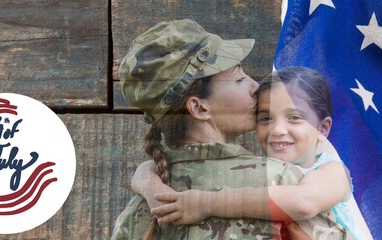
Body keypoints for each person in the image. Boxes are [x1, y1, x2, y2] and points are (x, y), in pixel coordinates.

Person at [111, 19, 351, 239]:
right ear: (199, 108)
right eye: (239, 79)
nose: (256, 86)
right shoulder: (286, 184)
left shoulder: (142, 206)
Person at [135, 67, 372, 239]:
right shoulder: (263, 168)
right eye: (266, 118)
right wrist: (150, 185)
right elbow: (145, 169)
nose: (278, 130)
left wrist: (205, 203)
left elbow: (303, 203)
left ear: (323, 128)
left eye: (295, 117)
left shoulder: (331, 170)